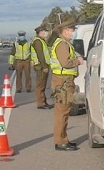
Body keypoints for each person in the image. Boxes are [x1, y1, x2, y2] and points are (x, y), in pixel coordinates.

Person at [49, 17, 84, 151]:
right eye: (71, 30)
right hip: (63, 81)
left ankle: (63, 139)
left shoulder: (64, 43)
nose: (73, 32)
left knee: (64, 111)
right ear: (64, 31)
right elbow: (65, 63)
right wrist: (78, 61)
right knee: (62, 112)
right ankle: (60, 141)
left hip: (64, 80)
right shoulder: (62, 44)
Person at [31, 24, 52, 109]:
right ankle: (41, 103)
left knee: (42, 85)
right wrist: (44, 67)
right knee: (40, 85)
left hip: (43, 65)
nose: (45, 33)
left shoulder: (41, 40)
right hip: (40, 66)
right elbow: (40, 55)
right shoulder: (38, 41)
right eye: (44, 31)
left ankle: (43, 101)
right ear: (40, 32)